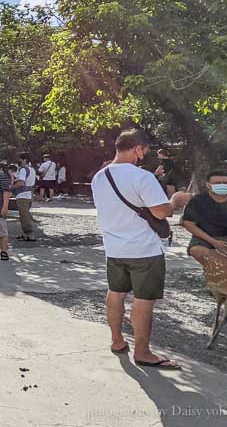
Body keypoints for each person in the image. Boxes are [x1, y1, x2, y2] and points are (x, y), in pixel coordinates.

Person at [91, 129, 179, 370]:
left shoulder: (100, 176)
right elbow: (161, 211)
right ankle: (142, 352)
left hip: (114, 248)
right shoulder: (142, 177)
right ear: (138, 148)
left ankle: (117, 341)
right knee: (143, 300)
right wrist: (176, 202)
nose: (144, 156)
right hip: (144, 249)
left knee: (116, 293)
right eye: (145, 151)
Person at [182, 171, 227, 264]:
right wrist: (213, 241)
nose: (222, 185)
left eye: (225, 183)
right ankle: (214, 271)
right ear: (208, 185)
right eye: (217, 183)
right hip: (207, 237)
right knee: (197, 251)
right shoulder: (197, 201)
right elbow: (189, 224)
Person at [14, 152, 37, 242]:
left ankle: (29, 234)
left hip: (22, 195)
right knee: (25, 214)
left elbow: (21, 183)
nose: (19, 160)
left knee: (24, 216)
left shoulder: (23, 170)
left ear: (24, 160)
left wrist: (11, 187)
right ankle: (24, 234)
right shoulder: (32, 169)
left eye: (20, 159)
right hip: (29, 195)